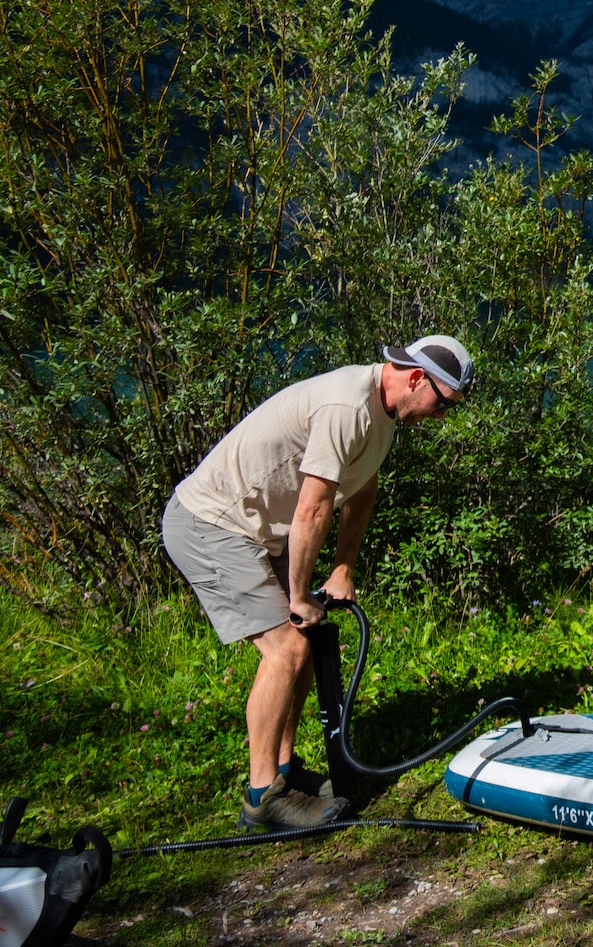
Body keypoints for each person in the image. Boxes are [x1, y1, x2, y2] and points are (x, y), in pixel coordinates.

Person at [160, 336, 473, 830]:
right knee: (286, 650)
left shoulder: (383, 416)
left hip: (253, 529)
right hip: (212, 523)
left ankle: (285, 772)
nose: (440, 415)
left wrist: (343, 566)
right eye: (442, 403)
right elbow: (313, 507)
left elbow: (361, 492)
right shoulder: (347, 405)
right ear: (416, 379)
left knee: (302, 641)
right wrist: (300, 595)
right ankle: (261, 799)